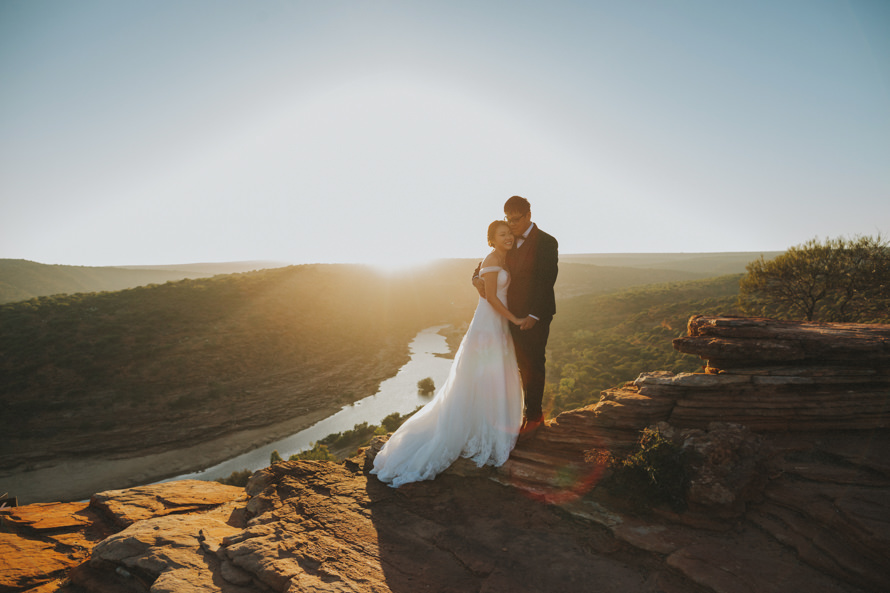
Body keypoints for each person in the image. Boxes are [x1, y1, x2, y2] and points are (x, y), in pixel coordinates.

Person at [371, 220, 524, 487]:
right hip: (489, 323)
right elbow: (491, 297)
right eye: (502, 234)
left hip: (496, 323)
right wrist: (514, 318)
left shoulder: (503, 256)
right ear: (492, 239)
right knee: (483, 375)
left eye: (509, 233)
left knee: (496, 373)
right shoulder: (491, 258)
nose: (508, 237)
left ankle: (492, 425)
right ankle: (479, 430)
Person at [474, 195, 558, 437]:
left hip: (535, 315)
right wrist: (474, 278)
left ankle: (534, 417)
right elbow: (485, 263)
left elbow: (546, 280)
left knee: (533, 363)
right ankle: (508, 415)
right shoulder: (507, 241)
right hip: (507, 315)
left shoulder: (547, 242)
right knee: (513, 365)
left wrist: (534, 314)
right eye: (507, 219)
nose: (511, 225)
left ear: (529, 216)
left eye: (516, 220)